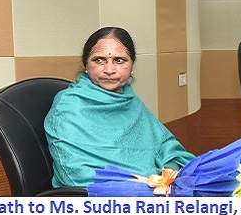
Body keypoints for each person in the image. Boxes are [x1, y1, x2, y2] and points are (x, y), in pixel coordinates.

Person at [44, 27, 194, 187]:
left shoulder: (129, 100)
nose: (109, 70)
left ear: (132, 66)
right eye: (99, 60)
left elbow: (167, 147)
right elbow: (74, 173)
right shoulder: (68, 107)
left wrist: (167, 178)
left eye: (119, 60)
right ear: (86, 64)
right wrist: (142, 189)